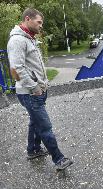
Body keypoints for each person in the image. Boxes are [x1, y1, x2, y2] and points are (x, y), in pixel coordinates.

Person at [7, 8, 73, 170]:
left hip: (36, 92)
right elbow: (16, 69)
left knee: (34, 122)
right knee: (45, 126)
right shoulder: (17, 40)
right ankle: (58, 159)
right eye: (39, 22)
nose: (41, 26)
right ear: (27, 19)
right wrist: (34, 87)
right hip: (31, 93)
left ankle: (33, 150)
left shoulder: (29, 38)